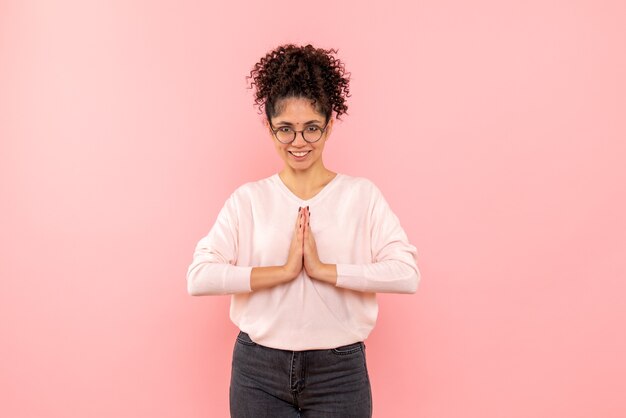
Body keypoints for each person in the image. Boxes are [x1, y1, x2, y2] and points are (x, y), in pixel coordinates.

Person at [186, 43, 421, 418]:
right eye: (286, 130)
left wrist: (324, 270)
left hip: (340, 373)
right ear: (270, 128)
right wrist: (281, 272)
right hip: (258, 371)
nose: (299, 143)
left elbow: (407, 274)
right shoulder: (248, 200)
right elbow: (198, 277)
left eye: (311, 128)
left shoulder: (361, 196)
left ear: (329, 125)